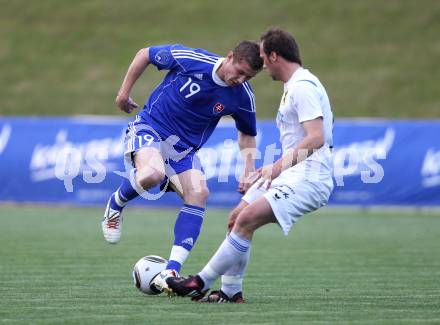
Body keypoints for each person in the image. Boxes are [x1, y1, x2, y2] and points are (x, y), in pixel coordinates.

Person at [166, 27, 334, 303]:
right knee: (236, 220)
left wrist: (275, 168)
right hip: (293, 173)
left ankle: (199, 282)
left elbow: (317, 137)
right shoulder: (294, 85)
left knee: (246, 220)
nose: (261, 62)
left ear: (274, 55)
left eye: (262, 55)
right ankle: (231, 292)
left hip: (310, 178)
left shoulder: (303, 87)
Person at [101, 41, 263, 290]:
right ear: (229, 56)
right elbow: (144, 54)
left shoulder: (243, 95)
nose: (240, 79)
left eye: (248, 76)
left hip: (183, 150)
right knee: (152, 174)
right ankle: (117, 203)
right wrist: (123, 93)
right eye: (239, 71)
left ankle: (171, 271)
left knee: (199, 193)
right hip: (150, 127)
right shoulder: (191, 59)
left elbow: (247, 133)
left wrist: (249, 168)